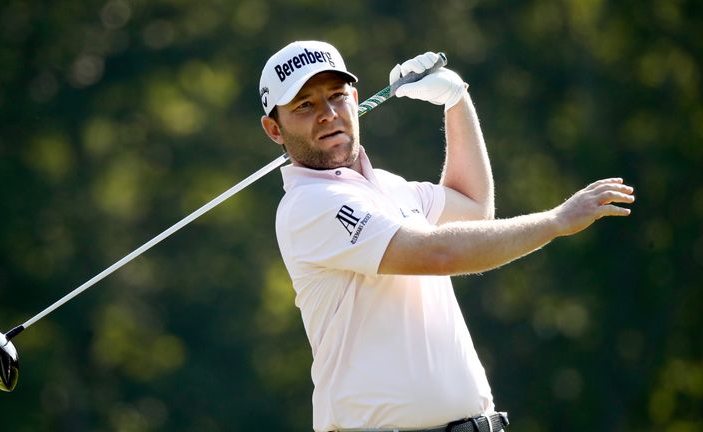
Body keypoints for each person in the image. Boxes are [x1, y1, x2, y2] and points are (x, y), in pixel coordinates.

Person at [258, 40, 634, 432]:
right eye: (305, 105)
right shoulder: (309, 205)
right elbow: (438, 254)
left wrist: (457, 101)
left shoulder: (388, 187)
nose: (328, 114)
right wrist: (556, 220)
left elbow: (474, 209)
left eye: (336, 96)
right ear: (274, 129)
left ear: (355, 98)